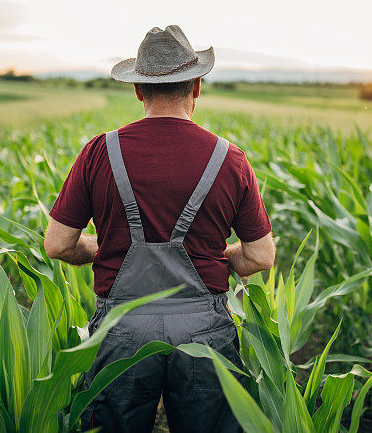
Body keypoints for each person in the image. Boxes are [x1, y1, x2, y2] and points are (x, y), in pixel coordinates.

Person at [43, 25, 275, 433]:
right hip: (205, 332)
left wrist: (107, 247)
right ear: (197, 87)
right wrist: (210, 256)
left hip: (121, 329)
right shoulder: (230, 159)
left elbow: (58, 244)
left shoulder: (101, 151)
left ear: (138, 90)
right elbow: (260, 256)